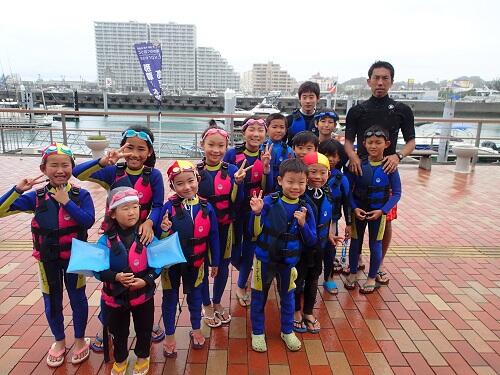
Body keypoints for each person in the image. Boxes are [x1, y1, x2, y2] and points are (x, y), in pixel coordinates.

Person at [0, 143, 94, 368]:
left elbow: (87, 220)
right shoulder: (36, 197)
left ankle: (80, 339)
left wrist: (66, 202)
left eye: (65, 165)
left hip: (75, 259)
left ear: (72, 167)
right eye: (54, 165)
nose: (60, 170)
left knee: (78, 299)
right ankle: (59, 342)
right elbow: (1, 210)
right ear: (44, 169)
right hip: (47, 259)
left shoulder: (81, 195)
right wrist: (17, 189)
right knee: (52, 301)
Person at [73, 125, 165, 348]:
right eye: (129, 147)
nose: (135, 154)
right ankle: (107, 324)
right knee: (111, 283)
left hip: (143, 234)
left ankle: (146, 320)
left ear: (149, 152)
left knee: (144, 277)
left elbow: (159, 204)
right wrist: (102, 161)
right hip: (115, 237)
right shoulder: (113, 172)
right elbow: (77, 173)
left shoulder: (153, 175)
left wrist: (150, 222)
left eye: (141, 149)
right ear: (122, 148)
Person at [345, 61, 415, 284]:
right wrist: (354, 157)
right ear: (369, 81)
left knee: (385, 222)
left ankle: (379, 263)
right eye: (376, 78)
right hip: (361, 169)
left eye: (385, 78)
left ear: (392, 82)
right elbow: (347, 141)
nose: (380, 82)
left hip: (386, 169)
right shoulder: (358, 110)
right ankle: (355, 264)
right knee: (356, 218)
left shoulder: (402, 110)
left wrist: (398, 156)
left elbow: (411, 141)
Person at [249, 159, 316, 353]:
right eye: (290, 182)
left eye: (301, 182)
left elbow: (311, 241)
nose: (296, 187)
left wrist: (303, 224)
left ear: (306, 183)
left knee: (288, 297)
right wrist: (257, 213)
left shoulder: (305, 207)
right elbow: (253, 233)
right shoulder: (269, 201)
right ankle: (258, 332)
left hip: (288, 262)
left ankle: (287, 331)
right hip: (265, 258)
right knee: (259, 297)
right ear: (279, 180)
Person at [156, 160, 220, 357]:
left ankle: (196, 328)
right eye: (180, 183)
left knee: (195, 297)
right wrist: (164, 230)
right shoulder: (168, 207)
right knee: (169, 299)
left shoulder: (206, 207)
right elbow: (159, 238)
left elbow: (214, 236)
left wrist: (215, 261)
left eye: (191, 181)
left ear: (197, 180)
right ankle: (169, 335)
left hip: (196, 263)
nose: (187, 187)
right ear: (173, 186)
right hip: (171, 266)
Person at [96, 187, 161, 375]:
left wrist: (146, 280)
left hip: (143, 297)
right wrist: (115, 277)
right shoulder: (104, 240)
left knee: (144, 329)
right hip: (114, 299)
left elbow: (157, 265)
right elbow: (97, 270)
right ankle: (121, 359)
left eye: (135, 206)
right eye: (125, 208)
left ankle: (143, 356)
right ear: (113, 214)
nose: (132, 212)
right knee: (119, 332)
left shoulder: (147, 235)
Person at [197, 121, 245, 327]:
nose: (216, 150)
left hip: (226, 227)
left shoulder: (233, 169)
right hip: (202, 230)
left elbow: (239, 201)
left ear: (227, 147)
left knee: (223, 266)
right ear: (202, 145)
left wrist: (238, 183)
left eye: (221, 146)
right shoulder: (195, 172)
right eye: (211, 145)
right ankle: (206, 303)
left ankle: (217, 302)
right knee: (201, 265)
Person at [344, 126, 402, 294]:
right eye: (370, 142)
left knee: (375, 244)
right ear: (364, 143)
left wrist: (383, 211)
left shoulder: (390, 167)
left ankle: (371, 277)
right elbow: (347, 189)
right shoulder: (357, 164)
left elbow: (397, 193)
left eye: (378, 142)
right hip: (359, 212)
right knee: (355, 243)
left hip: (378, 214)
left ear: (387, 144)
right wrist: (354, 208)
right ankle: (353, 273)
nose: (373, 146)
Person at [223, 116, 272, 307]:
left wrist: (267, 169)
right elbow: (224, 183)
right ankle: (245, 268)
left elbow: (268, 187)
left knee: (250, 247)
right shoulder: (231, 154)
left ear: (265, 134)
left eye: (260, 130)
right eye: (251, 129)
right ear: (243, 133)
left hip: (255, 209)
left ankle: (242, 284)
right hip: (236, 209)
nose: (256, 134)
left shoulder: (266, 154)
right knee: (235, 252)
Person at [293, 152, 343, 333]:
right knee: (297, 280)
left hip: (319, 245)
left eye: (322, 173)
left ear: (328, 175)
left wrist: (330, 234)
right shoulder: (298, 195)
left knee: (314, 279)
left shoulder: (328, 194)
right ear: (305, 174)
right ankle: (296, 311)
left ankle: (308, 311)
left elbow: (328, 217)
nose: (317, 177)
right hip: (300, 247)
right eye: (312, 172)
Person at [318, 140, 352, 289]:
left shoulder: (342, 179)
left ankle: (329, 277)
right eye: (326, 155)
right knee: (311, 251)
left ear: (340, 158)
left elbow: (347, 202)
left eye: (334, 156)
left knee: (330, 251)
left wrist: (349, 224)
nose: (331, 159)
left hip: (332, 222)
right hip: (314, 220)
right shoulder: (312, 175)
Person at [262, 113, 294, 190]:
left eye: (282, 127)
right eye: (274, 127)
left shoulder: (288, 150)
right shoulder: (261, 147)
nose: (278, 130)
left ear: (286, 130)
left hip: (281, 187)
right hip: (263, 184)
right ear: (267, 128)